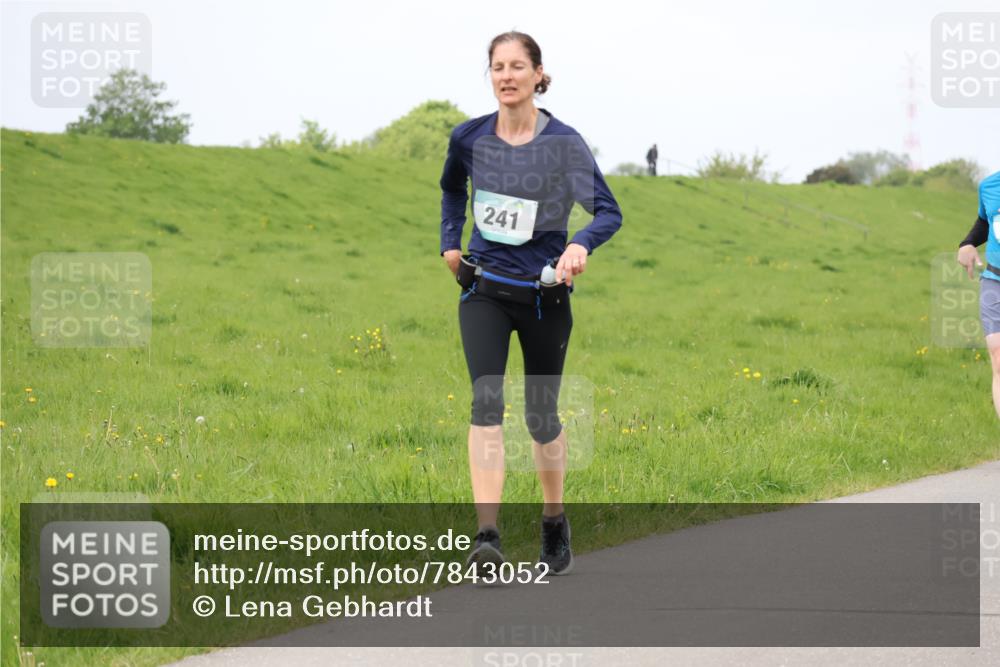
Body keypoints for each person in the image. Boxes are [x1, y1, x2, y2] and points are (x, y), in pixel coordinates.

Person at [439, 31, 623, 577]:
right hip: (484, 290)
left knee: (541, 417)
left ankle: (553, 518)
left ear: (539, 74)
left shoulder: (564, 143)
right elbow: (452, 189)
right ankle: (487, 536)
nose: (507, 76)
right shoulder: (469, 138)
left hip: (544, 298)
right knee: (485, 403)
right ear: (490, 75)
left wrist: (577, 244)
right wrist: (451, 241)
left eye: (518, 66)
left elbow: (607, 212)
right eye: (498, 66)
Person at [957, 169, 1000, 418]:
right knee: (998, 357)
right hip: (995, 280)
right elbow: (986, 220)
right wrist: (968, 243)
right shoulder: (989, 185)